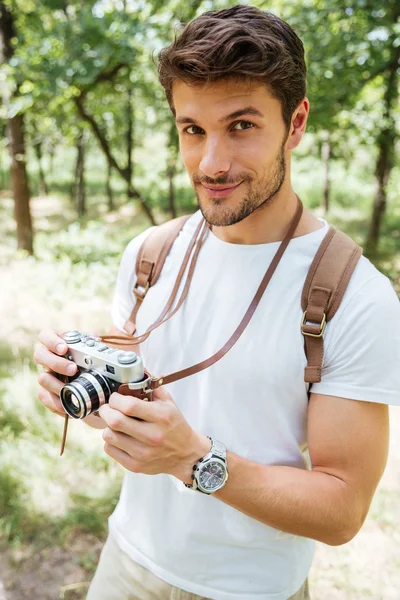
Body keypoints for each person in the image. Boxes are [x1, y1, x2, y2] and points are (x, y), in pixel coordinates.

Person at [33, 5, 400, 600]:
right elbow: (132, 405)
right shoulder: (150, 253)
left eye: (242, 126)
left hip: (250, 589)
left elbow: (343, 509)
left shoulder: (355, 296)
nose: (211, 164)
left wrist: (194, 459)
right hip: (125, 561)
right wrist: (76, 390)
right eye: (193, 129)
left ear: (297, 122)